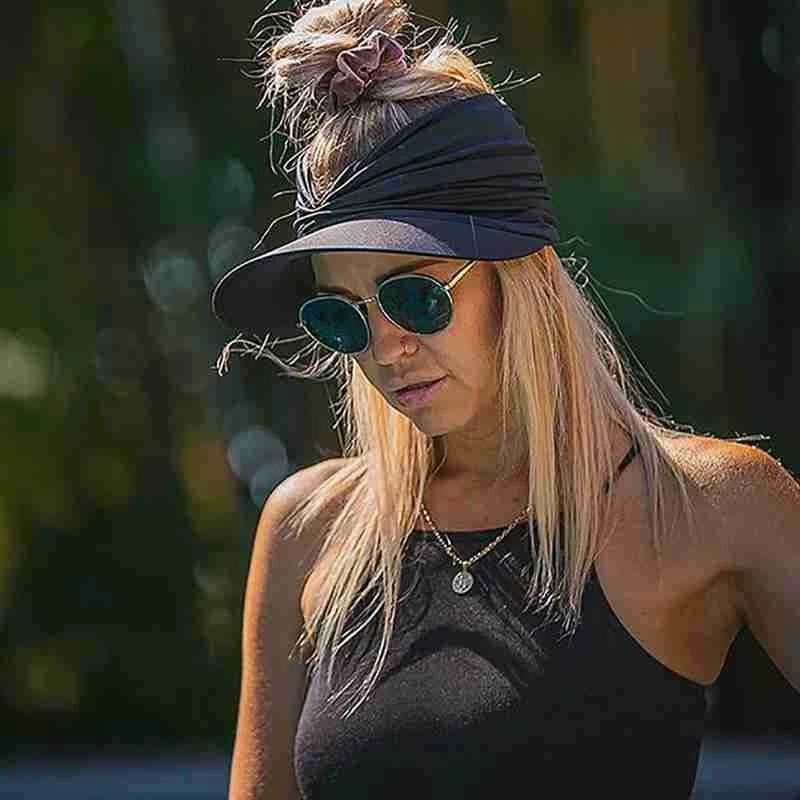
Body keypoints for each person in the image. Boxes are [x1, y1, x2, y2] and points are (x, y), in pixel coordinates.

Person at [210, 1, 800, 797]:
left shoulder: (709, 506)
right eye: (341, 316)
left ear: (519, 278)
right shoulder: (310, 530)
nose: (385, 348)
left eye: (415, 298)